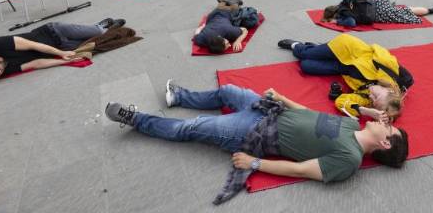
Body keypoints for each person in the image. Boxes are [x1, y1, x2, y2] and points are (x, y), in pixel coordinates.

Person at [105, 81, 408, 204]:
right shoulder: (351, 123)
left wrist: (254, 163)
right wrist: (282, 98)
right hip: (269, 111)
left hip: (253, 132)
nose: (386, 122)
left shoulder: (350, 159)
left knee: (192, 128)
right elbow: (308, 113)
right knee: (228, 91)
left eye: (390, 129)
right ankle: (181, 97)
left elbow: (303, 170)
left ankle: (137, 119)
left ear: (384, 145)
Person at [276, 34, 411, 122]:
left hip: (341, 67)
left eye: (373, 103)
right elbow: (377, 48)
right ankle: (297, 45)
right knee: (304, 53)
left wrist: (366, 110)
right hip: (346, 48)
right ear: (390, 91)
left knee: (306, 66)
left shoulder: (366, 99)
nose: (371, 98)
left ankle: (317, 49)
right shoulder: (388, 69)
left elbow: (341, 101)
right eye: (377, 96)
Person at [0, 18, 126, 87]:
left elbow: (34, 45)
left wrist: (59, 52)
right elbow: (36, 64)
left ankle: (100, 25)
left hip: (53, 31)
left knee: (96, 30)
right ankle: (105, 29)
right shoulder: (6, 70)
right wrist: (64, 61)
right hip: (61, 46)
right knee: (96, 39)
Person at [322, 0, 433, 27]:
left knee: (403, 15)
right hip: (377, 0)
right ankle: (429, 9)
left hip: (378, 12)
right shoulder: (344, 2)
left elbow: (351, 23)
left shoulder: (343, 14)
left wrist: (338, 22)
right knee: (402, 10)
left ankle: (431, 10)